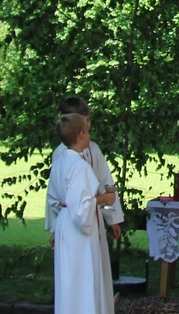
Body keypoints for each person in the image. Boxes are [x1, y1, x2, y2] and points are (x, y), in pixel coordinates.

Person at [44, 96, 124, 291]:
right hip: (74, 219)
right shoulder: (61, 155)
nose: (88, 125)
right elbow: (55, 194)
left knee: (94, 272)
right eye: (85, 121)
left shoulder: (93, 150)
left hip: (91, 219)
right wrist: (55, 227)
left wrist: (112, 217)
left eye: (88, 120)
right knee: (76, 274)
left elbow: (105, 181)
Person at [49, 113, 115, 313]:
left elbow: (55, 197)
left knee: (69, 279)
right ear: (80, 134)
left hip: (64, 223)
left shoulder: (60, 162)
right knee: (82, 278)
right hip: (77, 229)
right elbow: (81, 208)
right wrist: (105, 199)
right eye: (87, 131)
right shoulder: (80, 167)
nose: (89, 135)